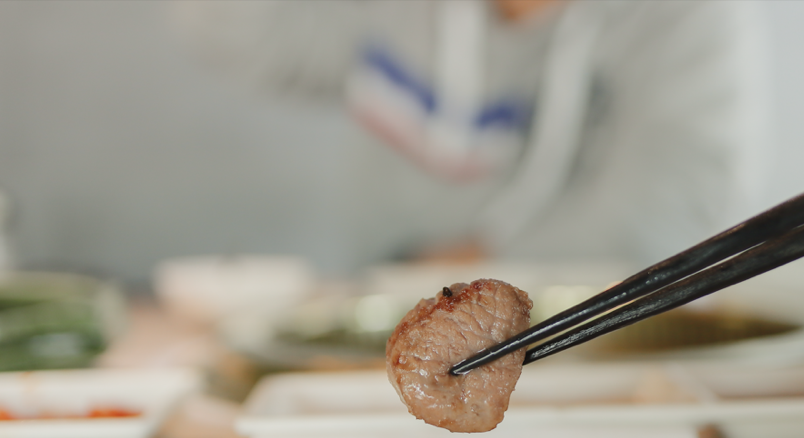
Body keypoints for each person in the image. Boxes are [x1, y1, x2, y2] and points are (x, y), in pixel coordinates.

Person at [171, 0, 767, 270]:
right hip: (383, 333)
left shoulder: (683, 16)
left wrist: (480, 268)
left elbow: (667, 216)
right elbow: (238, 37)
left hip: (585, 339)